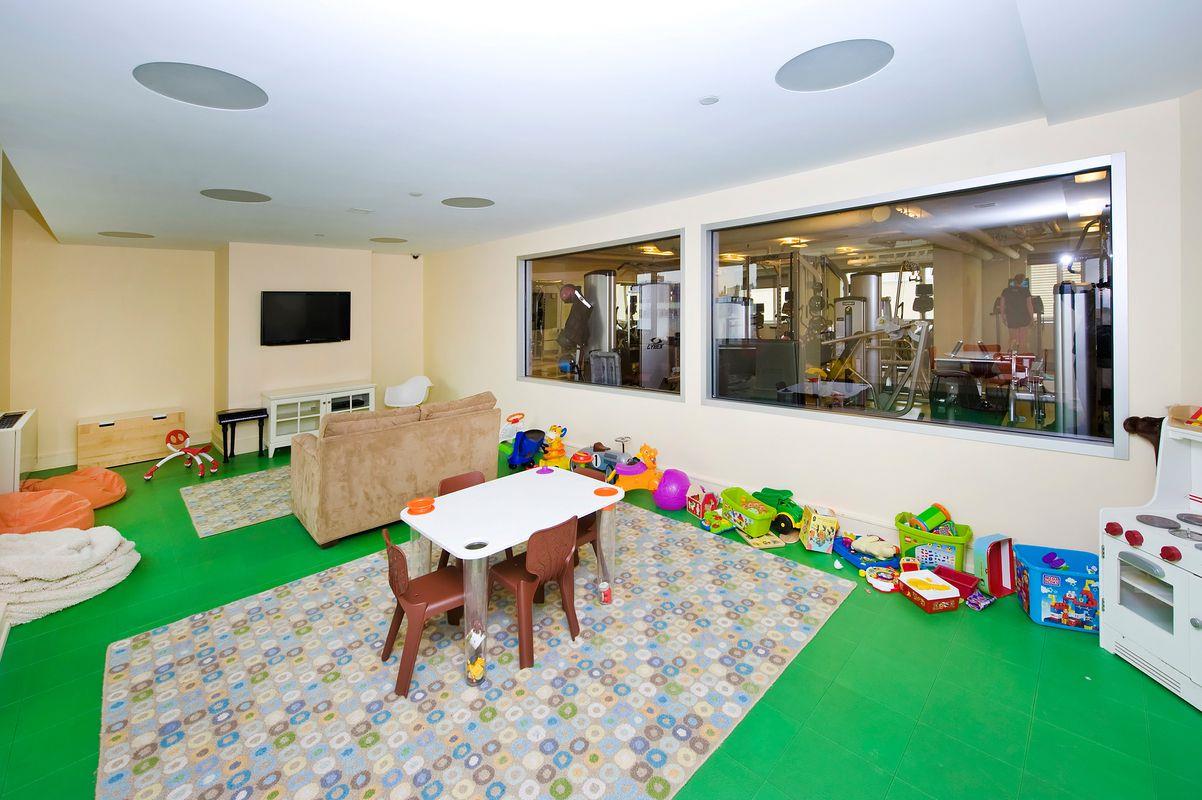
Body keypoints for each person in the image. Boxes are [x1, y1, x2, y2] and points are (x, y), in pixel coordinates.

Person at [999, 272, 1035, 351]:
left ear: (1014, 281)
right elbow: (1029, 305)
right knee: (1023, 341)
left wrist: (1003, 317)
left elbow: (1002, 305)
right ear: (1022, 281)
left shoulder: (1006, 291)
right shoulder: (1025, 290)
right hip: (1023, 317)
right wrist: (1032, 318)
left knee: (1012, 340)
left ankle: (1011, 357)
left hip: (1011, 317)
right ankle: (1022, 357)